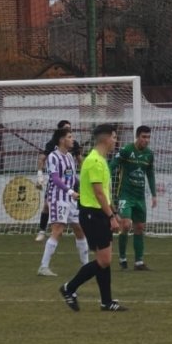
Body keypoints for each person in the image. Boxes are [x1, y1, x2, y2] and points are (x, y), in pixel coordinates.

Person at [57, 123, 128, 312]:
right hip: (92, 214)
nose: (116, 140)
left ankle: (106, 302)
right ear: (106, 139)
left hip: (99, 214)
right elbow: (98, 193)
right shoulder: (95, 161)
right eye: (114, 137)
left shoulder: (101, 160)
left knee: (104, 260)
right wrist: (111, 216)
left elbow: (104, 192)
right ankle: (69, 288)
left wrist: (114, 213)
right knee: (104, 261)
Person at [37, 127, 89, 276]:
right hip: (57, 197)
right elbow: (54, 178)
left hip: (70, 198)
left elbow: (71, 178)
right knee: (58, 230)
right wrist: (70, 191)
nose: (73, 140)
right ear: (61, 139)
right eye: (70, 137)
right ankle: (43, 266)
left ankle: (86, 265)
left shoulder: (69, 157)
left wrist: (81, 188)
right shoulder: (54, 156)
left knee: (79, 228)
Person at [110, 125, 157, 271]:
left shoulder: (149, 154)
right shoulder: (126, 150)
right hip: (125, 194)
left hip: (140, 196)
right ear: (137, 137)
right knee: (125, 224)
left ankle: (138, 262)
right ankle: (122, 258)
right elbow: (112, 165)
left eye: (148, 137)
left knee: (140, 227)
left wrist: (154, 194)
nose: (146, 140)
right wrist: (105, 175)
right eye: (143, 137)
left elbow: (150, 174)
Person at [35, 120, 82, 241]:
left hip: (71, 178)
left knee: (81, 197)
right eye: (67, 129)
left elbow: (80, 160)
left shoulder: (74, 144)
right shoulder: (52, 145)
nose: (70, 132)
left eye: (70, 129)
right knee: (46, 205)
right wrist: (40, 176)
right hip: (57, 180)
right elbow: (42, 159)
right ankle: (42, 231)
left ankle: (79, 225)